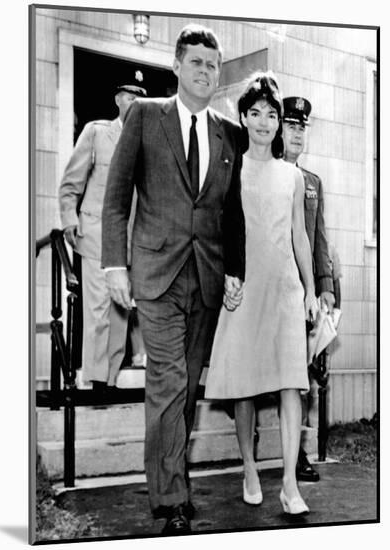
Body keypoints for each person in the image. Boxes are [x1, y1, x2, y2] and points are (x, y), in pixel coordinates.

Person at [101, 24, 245, 535]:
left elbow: (231, 212)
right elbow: (116, 197)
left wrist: (234, 270)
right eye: (197, 62)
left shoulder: (230, 134)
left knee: (184, 391)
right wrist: (114, 265)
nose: (206, 72)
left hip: (204, 278)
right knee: (168, 383)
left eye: (213, 64)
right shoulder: (144, 116)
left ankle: (172, 477)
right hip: (156, 273)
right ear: (178, 66)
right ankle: (170, 501)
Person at [205, 72, 318, 515]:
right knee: (246, 387)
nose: (265, 123)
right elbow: (218, 230)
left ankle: (289, 484)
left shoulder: (291, 176)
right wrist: (228, 277)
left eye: (272, 115)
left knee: (293, 383)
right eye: (256, 114)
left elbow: (300, 236)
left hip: (286, 289)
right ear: (244, 118)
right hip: (246, 290)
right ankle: (250, 468)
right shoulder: (231, 169)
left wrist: (310, 290)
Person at [58, 81, 147, 390]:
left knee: (120, 313)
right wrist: (69, 219)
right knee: (98, 311)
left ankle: (108, 381)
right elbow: (71, 182)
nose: (135, 102)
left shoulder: (145, 140)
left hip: (127, 242)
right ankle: (95, 381)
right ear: (118, 99)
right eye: (129, 96)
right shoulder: (96, 133)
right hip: (96, 234)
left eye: (140, 97)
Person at [282, 96, 335, 481]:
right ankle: (251, 447)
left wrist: (325, 287)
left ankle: (299, 453)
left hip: (302, 299)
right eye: (290, 125)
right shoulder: (259, 172)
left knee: (303, 380)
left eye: (302, 127)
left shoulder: (312, 182)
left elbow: (318, 241)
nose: (297, 133)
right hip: (267, 293)